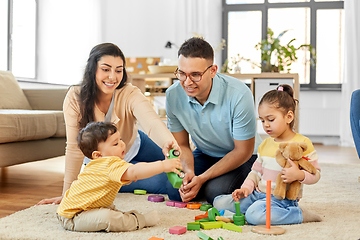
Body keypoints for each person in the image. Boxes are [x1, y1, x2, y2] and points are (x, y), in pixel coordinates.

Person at [37, 43, 179, 205]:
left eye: (118, 70)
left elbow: (152, 122)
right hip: (107, 164)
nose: (113, 77)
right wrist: (68, 194)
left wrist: (168, 141)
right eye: (106, 69)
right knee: (166, 182)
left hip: (135, 144)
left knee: (181, 166)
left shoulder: (129, 92)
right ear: (92, 70)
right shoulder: (75, 98)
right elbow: (74, 148)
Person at [165, 37, 262, 204]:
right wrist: (189, 172)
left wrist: (202, 178)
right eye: (182, 73)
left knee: (214, 192)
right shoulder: (173, 95)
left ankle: (254, 184)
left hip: (245, 156)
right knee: (175, 190)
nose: (187, 82)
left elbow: (242, 151)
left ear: (212, 70)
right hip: (205, 153)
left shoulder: (239, 94)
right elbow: (182, 144)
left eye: (195, 75)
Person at [213, 84, 322, 225]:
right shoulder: (264, 144)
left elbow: (316, 174)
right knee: (218, 202)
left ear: (289, 117)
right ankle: (255, 209)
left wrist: (299, 175)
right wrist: (245, 188)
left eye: (271, 120)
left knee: (254, 216)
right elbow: (255, 172)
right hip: (257, 195)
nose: (266, 125)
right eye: (262, 120)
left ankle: (298, 214)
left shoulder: (302, 143)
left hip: (281, 200)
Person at [57, 121, 182, 232]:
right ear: (98, 155)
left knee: (109, 211)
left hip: (84, 208)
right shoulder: (108, 163)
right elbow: (135, 171)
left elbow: (130, 172)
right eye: (116, 144)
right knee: (108, 218)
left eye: (120, 139)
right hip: (73, 216)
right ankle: (141, 220)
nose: (122, 144)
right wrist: (163, 165)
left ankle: (127, 216)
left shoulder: (96, 165)